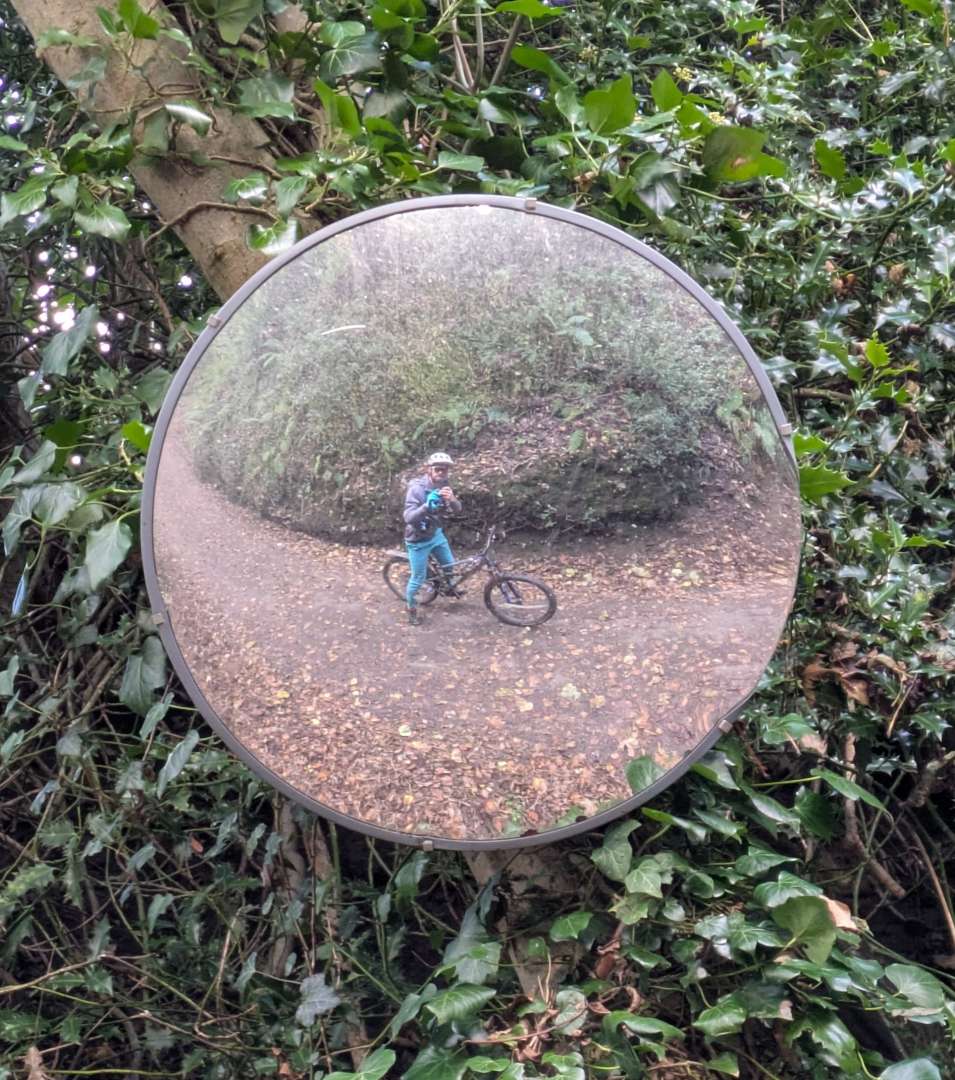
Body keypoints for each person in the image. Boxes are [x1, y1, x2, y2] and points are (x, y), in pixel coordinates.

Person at [403, 452, 462, 626]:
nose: (442, 473)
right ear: (429, 470)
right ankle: (411, 609)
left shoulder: (444, 484)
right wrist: (426, 506)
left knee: (450, 565)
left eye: (445, 470)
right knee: (418, 578)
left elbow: (457, 509)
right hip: (417, 539)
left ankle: (449, 587)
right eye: (438, 469)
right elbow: (408, 517)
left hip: (436, 534)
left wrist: (452, 499)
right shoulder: (416, 489)